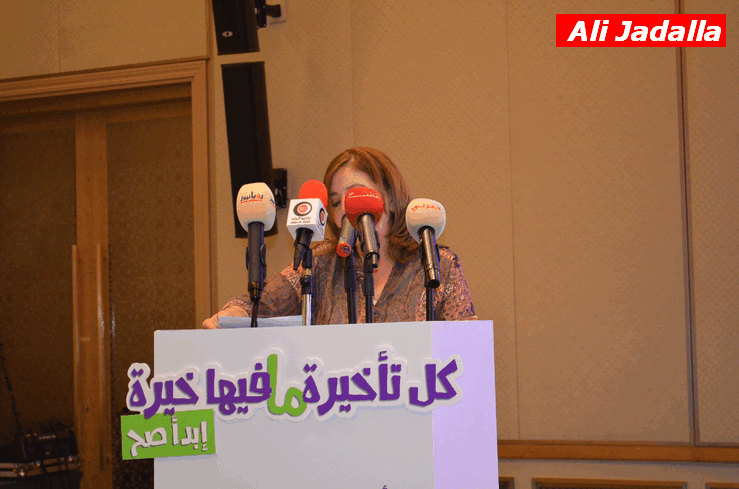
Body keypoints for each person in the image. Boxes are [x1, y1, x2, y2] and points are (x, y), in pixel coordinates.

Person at [202, 147, 476, 328]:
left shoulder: (438, 263)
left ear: (392, 199)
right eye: (335, 202)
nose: (346, 208)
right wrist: (231, 315)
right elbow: (257, 305)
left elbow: (468, 345)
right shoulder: (319, 264)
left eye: (357, 194)